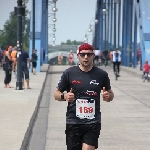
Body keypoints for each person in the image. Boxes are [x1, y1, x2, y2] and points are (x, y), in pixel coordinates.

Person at [54, 43, 114, 150]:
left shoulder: (102, 75)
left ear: (93, 56)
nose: (86, 57)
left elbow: (111, 94)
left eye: (89, 54)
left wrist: (107, 96)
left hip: (93, 122)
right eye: (83, 55)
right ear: (78, 56)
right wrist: (64, 96)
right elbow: (56, 93)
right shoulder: (69, 73)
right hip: (73, 122)